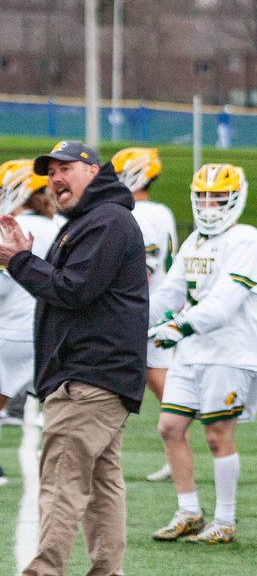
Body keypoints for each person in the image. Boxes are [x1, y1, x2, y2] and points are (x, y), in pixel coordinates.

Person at [0, 140, 147, 576]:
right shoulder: (95, 219)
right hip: (101, 376)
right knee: (102, 486)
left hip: (88, 377)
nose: (56, 179)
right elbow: (70, 287)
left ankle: (45, 571)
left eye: (65, 168)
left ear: (93, 171)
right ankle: (107, 571)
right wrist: (26, 261)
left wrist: (19, 261)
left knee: (61, 482)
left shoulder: (105, 220)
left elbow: (72, 289)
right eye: (51, 173)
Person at [149, 163, 257, 545]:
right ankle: (188, 511)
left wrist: (180, 326)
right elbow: (169, 293)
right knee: (170, 426)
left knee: (217, 434)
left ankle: (225, 519)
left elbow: (224, 302)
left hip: (229, 352)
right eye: (202, 196)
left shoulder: (248, 241)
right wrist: (130, 319)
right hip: (191, 352)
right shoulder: (194, 241)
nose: (209, 205)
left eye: (217, 197)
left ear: (235, 198)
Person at [111, 147, 179, 483]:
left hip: (143, 310)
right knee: (156, 382)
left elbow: (144, 267)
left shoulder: (139, 213)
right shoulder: (161, 210)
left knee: (142, 381)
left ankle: (176, 449)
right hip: (159, 307)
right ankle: (175, 452)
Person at [0, 160, 62, 486]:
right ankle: (58, 470)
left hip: (12, 332)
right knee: (58, 408)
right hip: (52, 332)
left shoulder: (9, 226)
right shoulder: (61, 226)